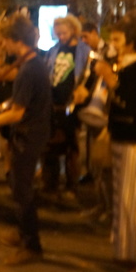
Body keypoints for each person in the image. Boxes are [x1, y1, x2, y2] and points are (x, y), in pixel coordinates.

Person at [0, 15, 52, 266]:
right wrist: (3, 106)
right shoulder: (31, 63)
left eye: (2, 40)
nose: (0, 45)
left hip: (29, 134)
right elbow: (22, 101)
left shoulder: (28, 70)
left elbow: (17, 113)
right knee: (17, 184)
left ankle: (32, 245)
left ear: (16, 39)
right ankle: (24, 231)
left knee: (22, 189)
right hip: (32, 132)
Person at [92, 12, 136, 272]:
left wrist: (110, 78)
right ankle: (131, 251)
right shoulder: (128, 66)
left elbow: (133, 105)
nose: (113, 45)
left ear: (132, 41)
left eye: (118, 40)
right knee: (126, 201)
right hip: (124, 141)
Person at [43, 14, 91, 202]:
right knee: (50, 145)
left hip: (72, 103)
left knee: (71, 146)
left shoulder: (83, 50)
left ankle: (72, 186)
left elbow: (88, 75)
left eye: (63, 33)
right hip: (53, 102)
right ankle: (50, 184)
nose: (61, 37)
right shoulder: (54, 50)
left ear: (73, 30)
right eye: (58, 34)